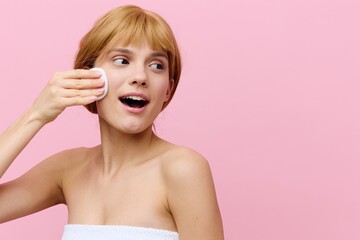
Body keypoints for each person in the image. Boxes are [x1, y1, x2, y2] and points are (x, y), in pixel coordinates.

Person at [0, 5, 224, 240]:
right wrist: (36, 115)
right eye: (122, 60)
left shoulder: (183, 169)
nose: (140, 77)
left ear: (167, 89)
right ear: (87, 75)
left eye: (156, 65)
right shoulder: (69, 170)